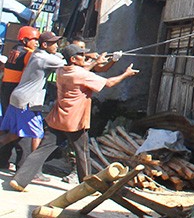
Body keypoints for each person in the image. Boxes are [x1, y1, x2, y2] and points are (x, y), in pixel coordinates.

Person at [8, 44, 138, 191]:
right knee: (82, 153)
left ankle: (19, 180)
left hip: (58, 118)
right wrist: (125, 74)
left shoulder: (62, 70)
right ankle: (88, 186)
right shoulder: (81, 74)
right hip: (74, 120)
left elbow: (83, 70)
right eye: (82, 55)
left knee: (42, 150)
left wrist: (109, 60)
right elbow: (108, 83)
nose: (85, 57)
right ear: (73, 59)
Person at [0, 32, 64, 174]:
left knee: (13, 134)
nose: (57, 46)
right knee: (37, 134)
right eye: (53, 43)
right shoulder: (42, 57)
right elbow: (67, 65)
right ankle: (32, 172)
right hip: (27, 100)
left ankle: (16, 166)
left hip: (14, 95)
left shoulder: (25, 52)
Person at [0, 26, 39, 170]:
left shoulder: (14, 50)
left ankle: (3, 160)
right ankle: (22, 165)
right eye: (34, 39)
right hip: (17, 90)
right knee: (23, 127)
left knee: (10, 125)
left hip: (6, 89)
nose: (36, 43)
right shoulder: (28, 54)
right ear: (24, 40)